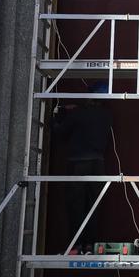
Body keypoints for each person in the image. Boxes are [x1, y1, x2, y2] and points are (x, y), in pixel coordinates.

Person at [53, 81, 113, 253]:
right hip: (98, 165)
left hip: (78, 163)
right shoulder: (107, 115)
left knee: (76, 205)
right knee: (93, 205)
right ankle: (90, 244)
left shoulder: (79, 114)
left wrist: (58, 115)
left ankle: (77, 245)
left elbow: (60, 132)